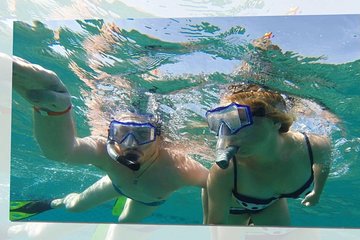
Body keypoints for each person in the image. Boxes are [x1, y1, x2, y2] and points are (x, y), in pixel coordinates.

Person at [11, 54, 209, 223]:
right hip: (115, 185)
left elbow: (212, 183)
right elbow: (62, 151)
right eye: (121, 133)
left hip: (147, 200)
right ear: (111, 133)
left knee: (124, 223)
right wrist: (53, 110)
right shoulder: (106, 151)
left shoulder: (179, 167)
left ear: (160, 139)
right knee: (74, 207)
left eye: (142, 135)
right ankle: (54, 203)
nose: (130, 143)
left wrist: (212, 223)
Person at [205, 83, 332, 226]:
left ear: (276, 121)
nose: (228, 136)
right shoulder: (225, 171)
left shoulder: (316, 146)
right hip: (233, 206)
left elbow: (323, 165)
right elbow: (216, 226)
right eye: (221, 124)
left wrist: (317, 192)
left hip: (269, 203)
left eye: (240, 120)